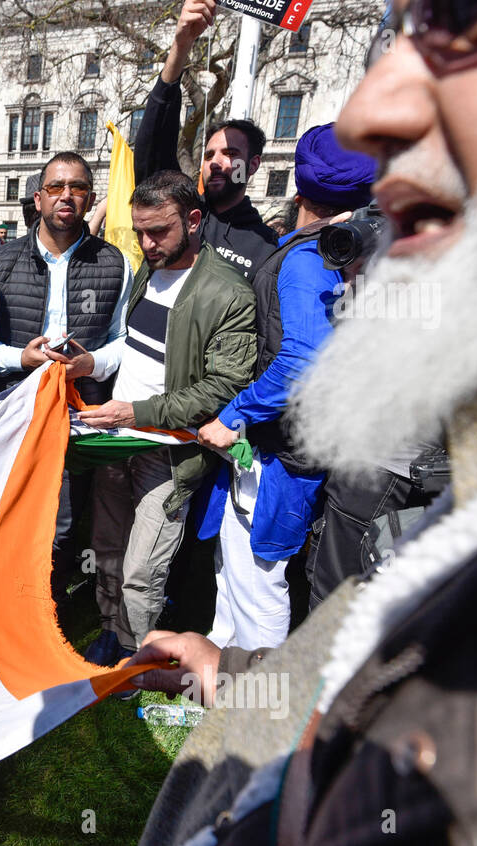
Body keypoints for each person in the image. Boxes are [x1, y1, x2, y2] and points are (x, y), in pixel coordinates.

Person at [127, 0, 477, 846]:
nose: (374, 109)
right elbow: (382, 673)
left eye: (464, 18)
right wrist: (238, 670)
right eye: (400, 29)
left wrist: (231, 413)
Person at [194, 124, 376, 651]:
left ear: (300, 186)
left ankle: (255, 705)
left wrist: (234, 415)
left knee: (259, 579)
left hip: (283, 453)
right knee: (234, 564)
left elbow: (301, 359)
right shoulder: (340, 251)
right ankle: (220, 679)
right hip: (279, 447)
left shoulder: (307, 258)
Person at [76, 171, 256, 668]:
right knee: (107, 548)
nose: (147, 243)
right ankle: (114, 632)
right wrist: (93, 363)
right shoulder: (149, 270)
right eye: (139, 232)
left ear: (194, 220)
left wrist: (137, 412)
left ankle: (140, 655)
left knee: (141, 567)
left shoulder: (228, 293)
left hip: (170, 455)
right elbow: (135, 347)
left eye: (159, 231)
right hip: (117, 441)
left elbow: (223, 389)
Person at [0, 150, 133, 600]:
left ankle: (42, 608)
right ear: (38, 198)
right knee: (4, 511)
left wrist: (90, 364)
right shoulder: (2, 260)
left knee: (59, 520)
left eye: (77, 188)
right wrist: (20, 358)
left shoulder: (115, 263)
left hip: (77, 417)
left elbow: (124, 339)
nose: (67, 196)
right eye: (56, 187)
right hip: (13, 410)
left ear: (90, 198)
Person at [133, 0, 279, 280]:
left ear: (253, 165)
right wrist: (181, 44)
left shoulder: (266, 247)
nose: (215, 163)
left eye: (230, 153)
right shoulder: (180, 209)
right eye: (209, 155)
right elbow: (152, 145)